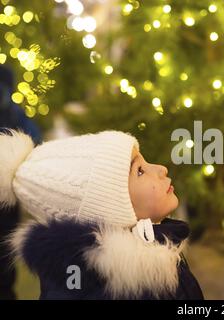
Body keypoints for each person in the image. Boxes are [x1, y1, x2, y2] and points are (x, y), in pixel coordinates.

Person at [0, 130, 203, 299]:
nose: (161, 169)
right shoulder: (137, 288)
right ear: (109, 210)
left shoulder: (152, 252)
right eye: (140, 171)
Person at [0, 65, 42, 300]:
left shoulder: (14, 113)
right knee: (4, 252)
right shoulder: (15, 113)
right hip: (7, 195)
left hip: (6, 196)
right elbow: (34, 139)